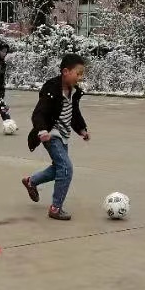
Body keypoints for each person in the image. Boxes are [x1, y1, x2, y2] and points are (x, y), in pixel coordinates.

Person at [22, 54, 90, 221]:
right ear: (65, 71)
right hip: (51, 134)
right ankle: (55, 208)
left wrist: (81, 129)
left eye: (82, 74)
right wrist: (42, 131)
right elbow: (39, 113)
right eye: (78, 73)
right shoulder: (51, 88)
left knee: (58, 168)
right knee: (66, 168)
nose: (80, 78)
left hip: (64, 135)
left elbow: (74, 113)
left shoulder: (74, 92)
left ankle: (31, 181)